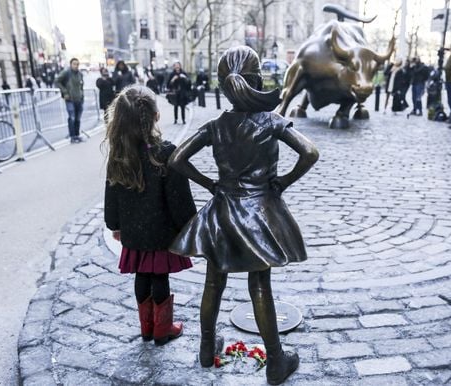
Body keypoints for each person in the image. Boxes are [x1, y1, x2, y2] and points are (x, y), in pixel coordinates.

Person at [168, 46, 319, 385]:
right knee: (260, 284)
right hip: (261, 214)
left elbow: (176, 159)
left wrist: (210, 184)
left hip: (222, 212)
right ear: (256, 80)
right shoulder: (271, 121)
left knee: (213, 281)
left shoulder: (216, 125)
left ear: (223, 86)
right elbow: (310, 152)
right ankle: (276, 361)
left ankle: (207, 350)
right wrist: (283, 182)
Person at [103, 85, 196, 346]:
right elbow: (180, 200)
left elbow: (111, 195)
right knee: (159, 278)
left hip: (133, 231)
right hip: (162, 231)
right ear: (156, 116)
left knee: (141, 276)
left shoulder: (118, 154)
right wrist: (189, 226)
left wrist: (115, 224)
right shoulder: (166, 152)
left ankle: (147, 328)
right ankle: (162, 329)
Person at [55, 58, 85, 143]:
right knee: (72, 117)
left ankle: (77, 135)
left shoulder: (80, 74)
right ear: (71, 64)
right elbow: (57, 81)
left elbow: (81, 86)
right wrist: (65, 92)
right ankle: (72, 136)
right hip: (70, 99)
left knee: (78, 118)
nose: (76, 66)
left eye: (77, 64)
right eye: (74, 64)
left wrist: (82, 96)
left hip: (79, 99)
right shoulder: (66, 73)